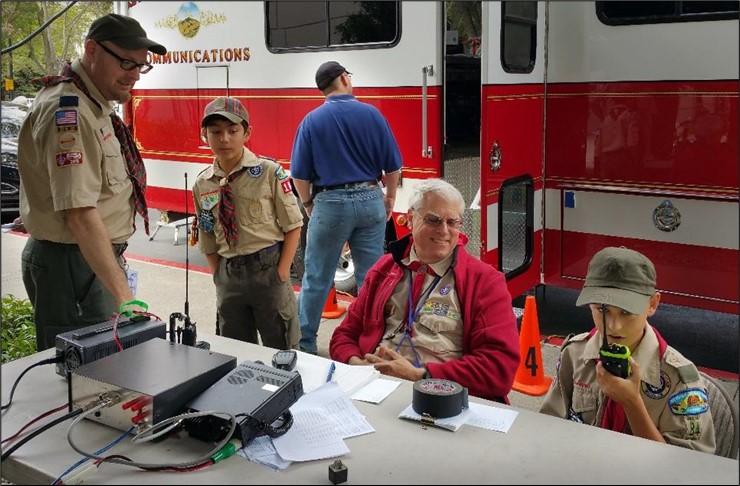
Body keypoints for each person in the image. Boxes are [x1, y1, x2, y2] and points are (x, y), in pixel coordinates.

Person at [17, 13, 166, 351]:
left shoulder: (90, 103)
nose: (134, 76)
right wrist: (125, 296)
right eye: (126, 62)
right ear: (92, 50)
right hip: (74, 268)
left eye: (141, 66)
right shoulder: (69, 111)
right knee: (84, 378)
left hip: (84, 262)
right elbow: (80, 215)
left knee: (99, 371)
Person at [329, 179, 520, 403]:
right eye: (433, 220)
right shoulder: (383, 269)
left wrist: (421, 376)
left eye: (452, 222)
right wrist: (357, 365)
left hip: (439, 399)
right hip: (372, 390)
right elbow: (343, 336)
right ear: (410, 219)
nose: (444, 231)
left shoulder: (484, 282)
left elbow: (499, 369)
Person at [539, 247, 716, 453]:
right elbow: (549, 427)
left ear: (652, 304)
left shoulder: (679, 379)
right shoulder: (575, 353)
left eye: (626, 312)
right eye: (602, 309)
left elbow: (687, 467)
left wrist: (632, 403)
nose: (614, 326)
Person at [290, 60, 403, 354]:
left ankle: (306, 344)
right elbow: (393, 167)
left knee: (317, 276)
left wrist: (308, 204)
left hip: (329, 203)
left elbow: (299, 175)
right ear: (344, 78)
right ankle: (369, 343)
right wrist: (389, 197)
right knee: (371, 278)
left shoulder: (312, 121)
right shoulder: (372, 114)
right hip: (370, 199)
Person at [191, 96, 303, 350]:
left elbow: (293, 224)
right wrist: (218, 275)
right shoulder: (203, 183)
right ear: (204, 135)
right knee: (235, 350)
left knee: (281, 348)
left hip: (267, 271)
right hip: (229, 274)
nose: (224, 139)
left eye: (233, 131)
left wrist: (282, 271)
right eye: (215, 132)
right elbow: (207, 233)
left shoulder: (269, 172)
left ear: (247, 133)